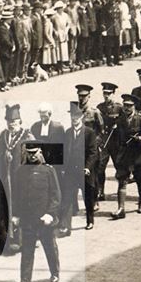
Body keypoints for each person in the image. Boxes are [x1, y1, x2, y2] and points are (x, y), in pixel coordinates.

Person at [12, 140, 60, 282]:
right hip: (27, 219)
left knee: (49, 247)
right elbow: (16, 197)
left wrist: (50, 214)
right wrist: (16, 215)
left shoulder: (48, 171)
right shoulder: (20, 172)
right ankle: (24, 281)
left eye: (35, 153)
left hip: (44, 219)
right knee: (27, 250)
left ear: (41, 152)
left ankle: (55, 272)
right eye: (29, 153)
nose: (32, 156)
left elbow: (56, 196)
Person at [0, 104, 32, 255]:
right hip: (4, 180)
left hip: (19, 181)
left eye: (14, 122)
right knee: (3, 210)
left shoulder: (26, 136)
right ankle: (3, 241)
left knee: (18, 209)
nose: (12, 125)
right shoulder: (3, 136)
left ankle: (18, 241)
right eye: (9, 122)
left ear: (20, 122)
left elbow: (32, 158)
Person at [60, 100, 99, 233]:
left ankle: (90, 220)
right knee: (67, 198)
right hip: (71, 172)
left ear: (82, 117)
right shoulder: (68, 132)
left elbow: (93, 152)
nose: (74, 119)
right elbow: (64, 152)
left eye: (77, 117)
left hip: (85, 172)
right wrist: (63, 168)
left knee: (88, 197)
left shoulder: (89, 132)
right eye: (72, 117)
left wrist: (88, 167)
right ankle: (66, 225)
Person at [110, 95, 141, 219]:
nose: (127, 108)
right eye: (125, 105)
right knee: (121, 181)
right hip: (125, 155)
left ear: (134, 106)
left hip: (138, 154)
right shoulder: (119, 120)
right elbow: (115, 137)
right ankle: (121, 209)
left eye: (129, 106)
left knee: (140, 180)